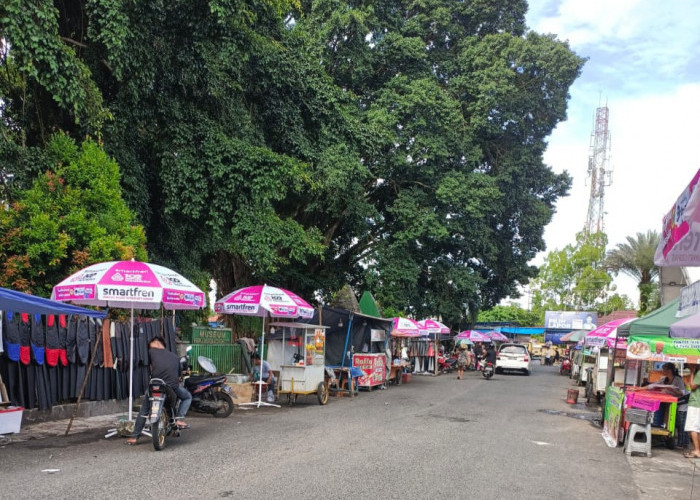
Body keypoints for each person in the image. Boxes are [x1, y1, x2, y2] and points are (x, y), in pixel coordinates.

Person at [126, 337, 192, 445]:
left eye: (151, 344)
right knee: (187, 397)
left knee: (144, 411)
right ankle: (179, 418)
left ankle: (134, 437)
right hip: (171, 387)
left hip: (155, 385)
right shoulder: (175, 357)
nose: (150, 347)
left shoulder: (150, 352)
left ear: (157, 343)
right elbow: (179, 376)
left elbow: (147, 366)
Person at [685, 364, 700, 459]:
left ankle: (697, 450)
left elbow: (692, 386)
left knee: (692, 427)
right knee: (697, 428)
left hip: (695, 404)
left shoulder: (698, 373)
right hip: (697, 404)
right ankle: (698, 450)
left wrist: (692, 372)